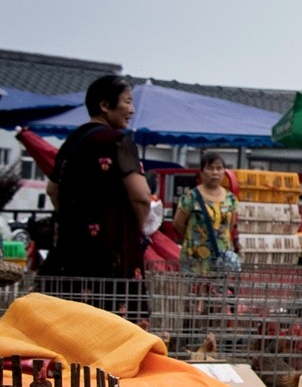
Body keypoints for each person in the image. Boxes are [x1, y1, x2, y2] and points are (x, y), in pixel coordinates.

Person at [42, 74, 151, 288]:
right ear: (104, 105)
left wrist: (76, 220)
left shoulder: (71, 141)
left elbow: (52, 190)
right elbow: (141, 197)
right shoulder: (118, 141)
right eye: (127, 102)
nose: (132, 110)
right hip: (112, 253)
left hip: (70, 251)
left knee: (72, 315)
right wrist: (132, 230)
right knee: (111, 316)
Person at [173, 152, 239, 275]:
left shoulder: (231, 199)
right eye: (210, 168)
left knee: (218, 292)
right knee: (194, 292)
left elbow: (230, 226)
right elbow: (178, 223)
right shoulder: (191, 197)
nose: (215, 173)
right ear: (202, 172)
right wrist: (195, 238)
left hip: (221, 259)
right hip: (195, 258)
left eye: (219, 168)